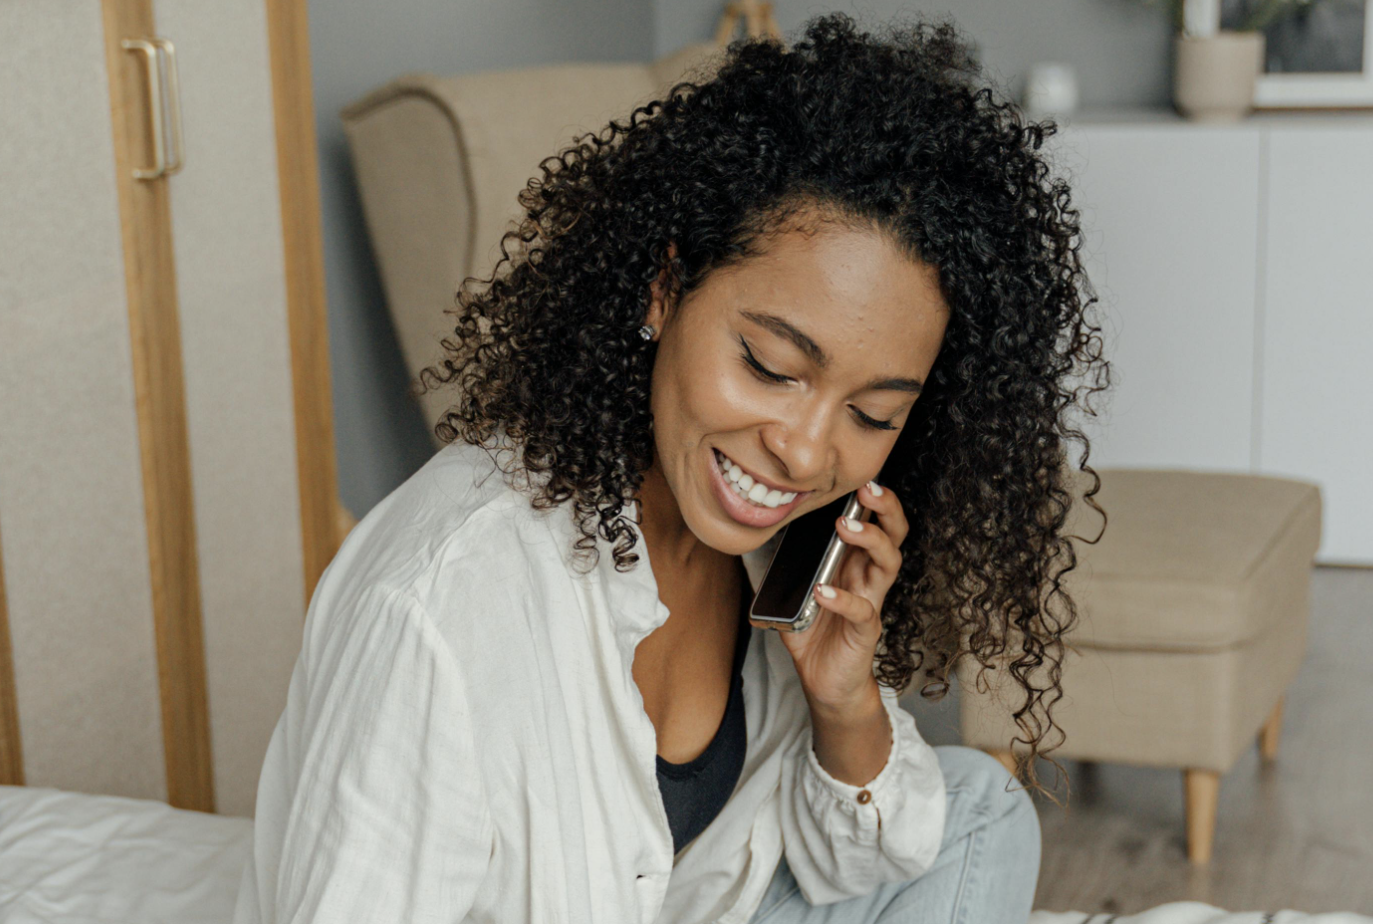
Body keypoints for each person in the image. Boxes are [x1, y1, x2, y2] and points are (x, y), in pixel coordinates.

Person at [234, 13, 1104, 924]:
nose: (807, 453)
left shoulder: (782, 553)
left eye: (873, 412)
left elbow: (851, 858)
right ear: (665, 288)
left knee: (977, 807)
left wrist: (842, 699)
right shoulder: (442, 607)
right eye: (769, 366)